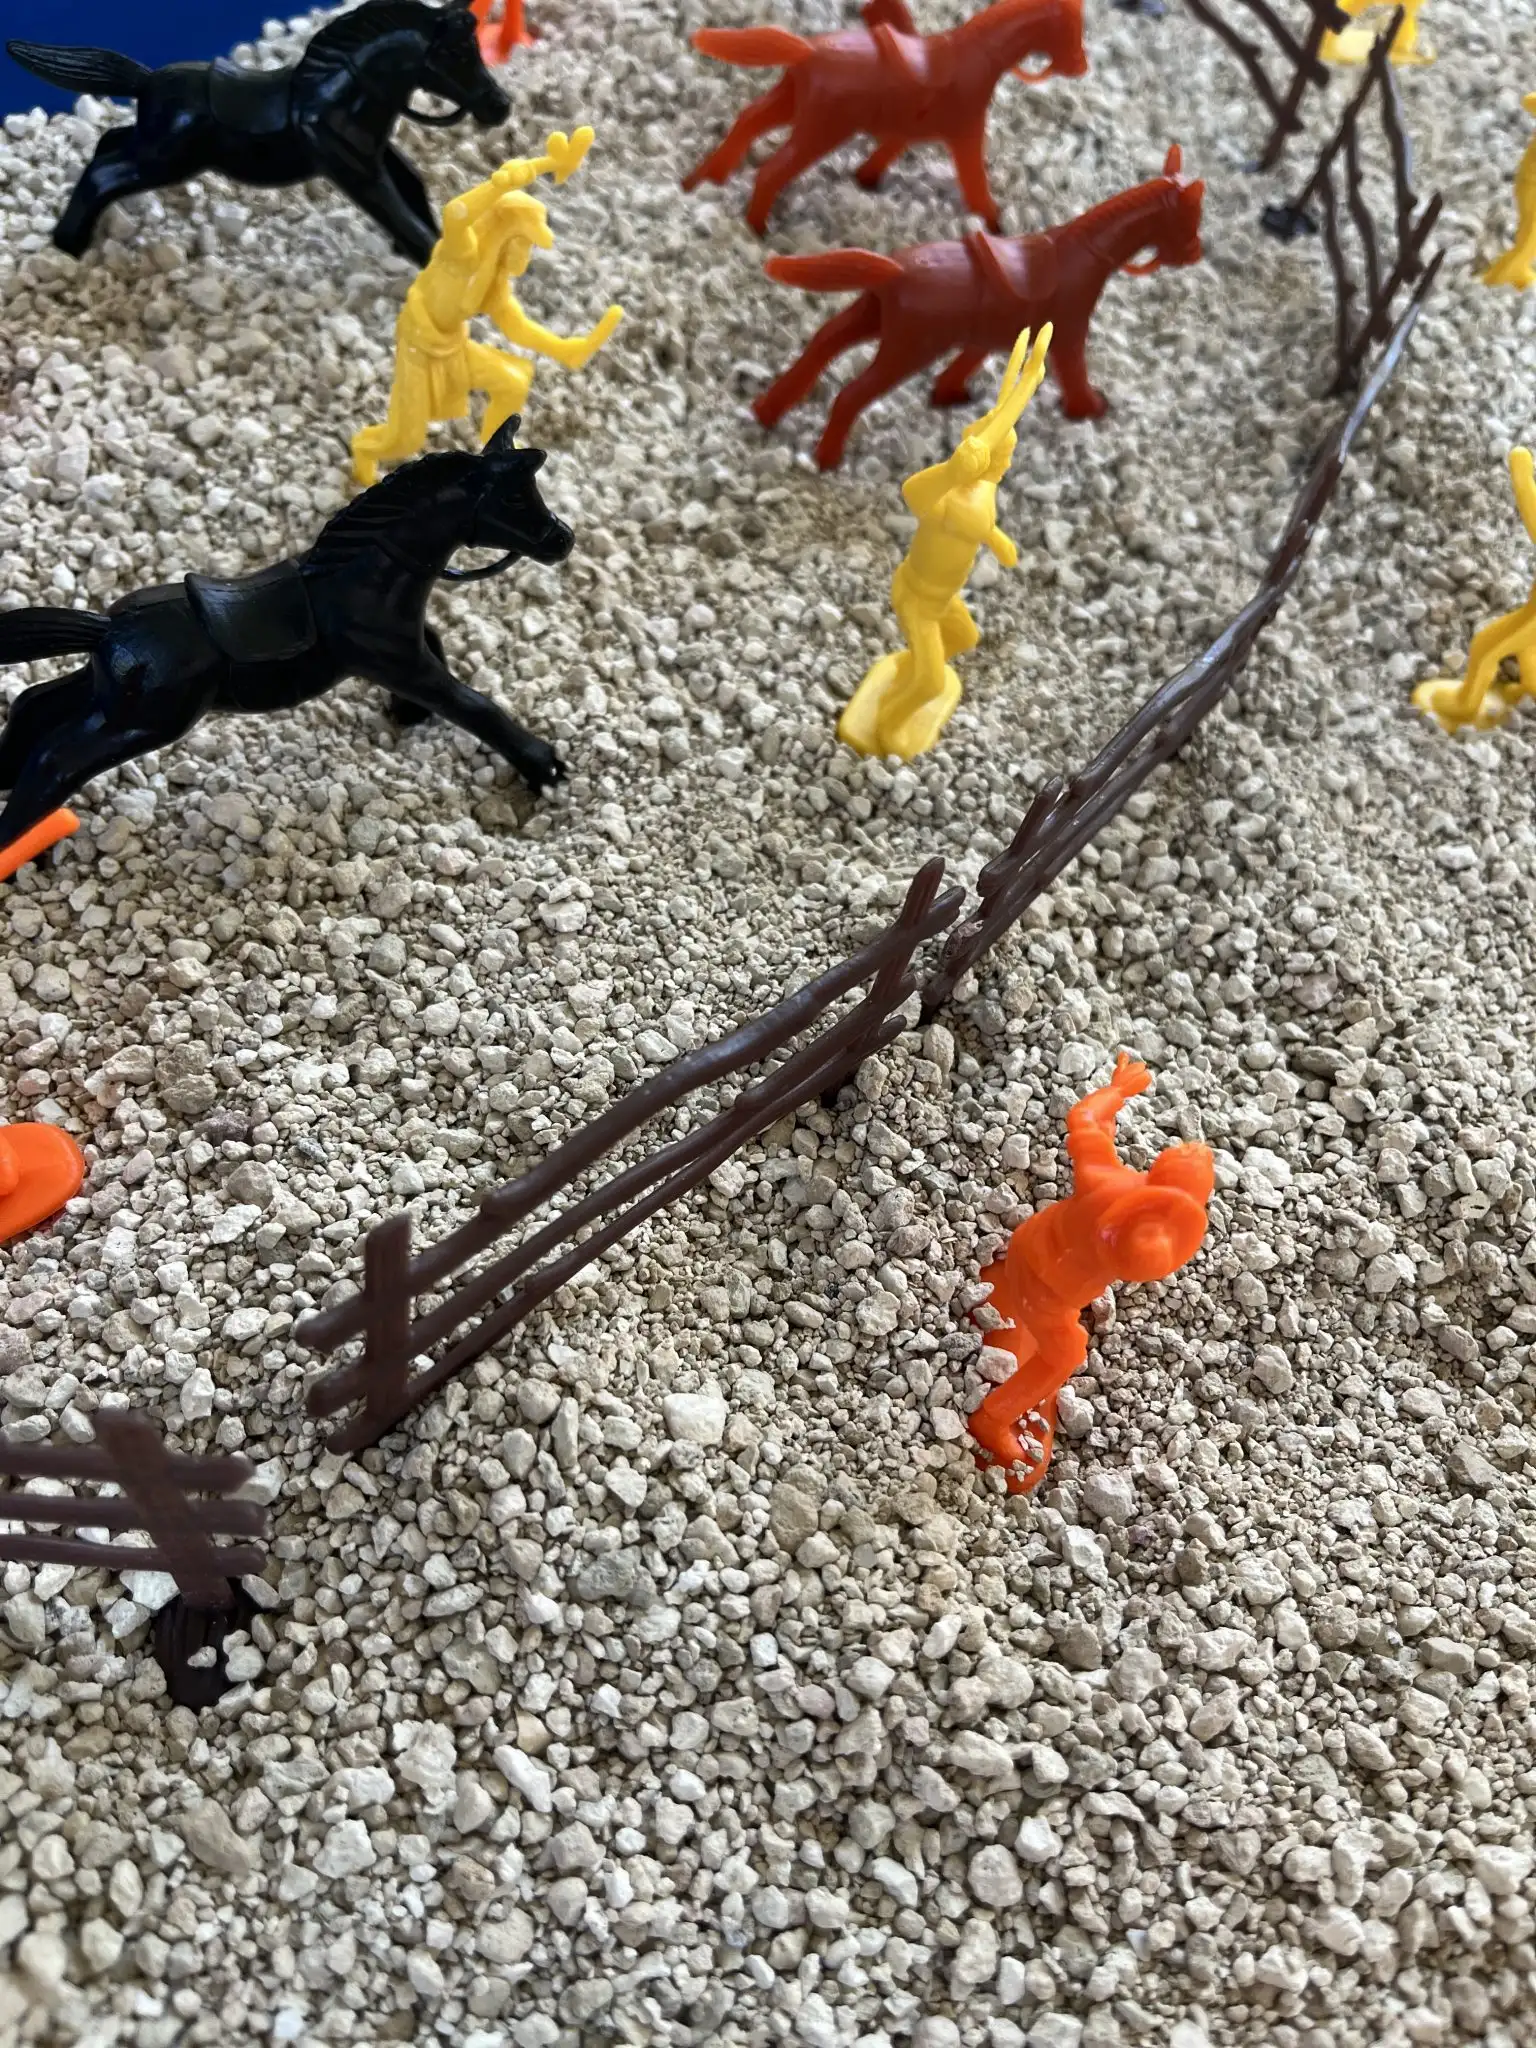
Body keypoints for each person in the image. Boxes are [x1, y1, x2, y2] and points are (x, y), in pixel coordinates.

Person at [971, 1054, 1214, 1490]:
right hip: (1048, 1293)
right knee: (1066, 1354)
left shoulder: (1108, 1178)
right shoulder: (1140, 1229)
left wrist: (1116, 1093)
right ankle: (992, 1419)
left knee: (1039, 1311)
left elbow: (1084, 1119)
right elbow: (1143, 1264)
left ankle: (1004, 1294)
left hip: (1026, 1247)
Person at [351, 130, 622, 486]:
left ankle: (495, 454)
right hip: (419, 348)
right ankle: (363, 452)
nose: (525, 253)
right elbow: (456, 212)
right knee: (404, 440)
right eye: (522, 242)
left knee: (512, 381)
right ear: (504, 235)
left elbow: (516, 326)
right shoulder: (463, 254)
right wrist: (498, 186)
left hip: (453, 347)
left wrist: (564, 348)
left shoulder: (493, 283)